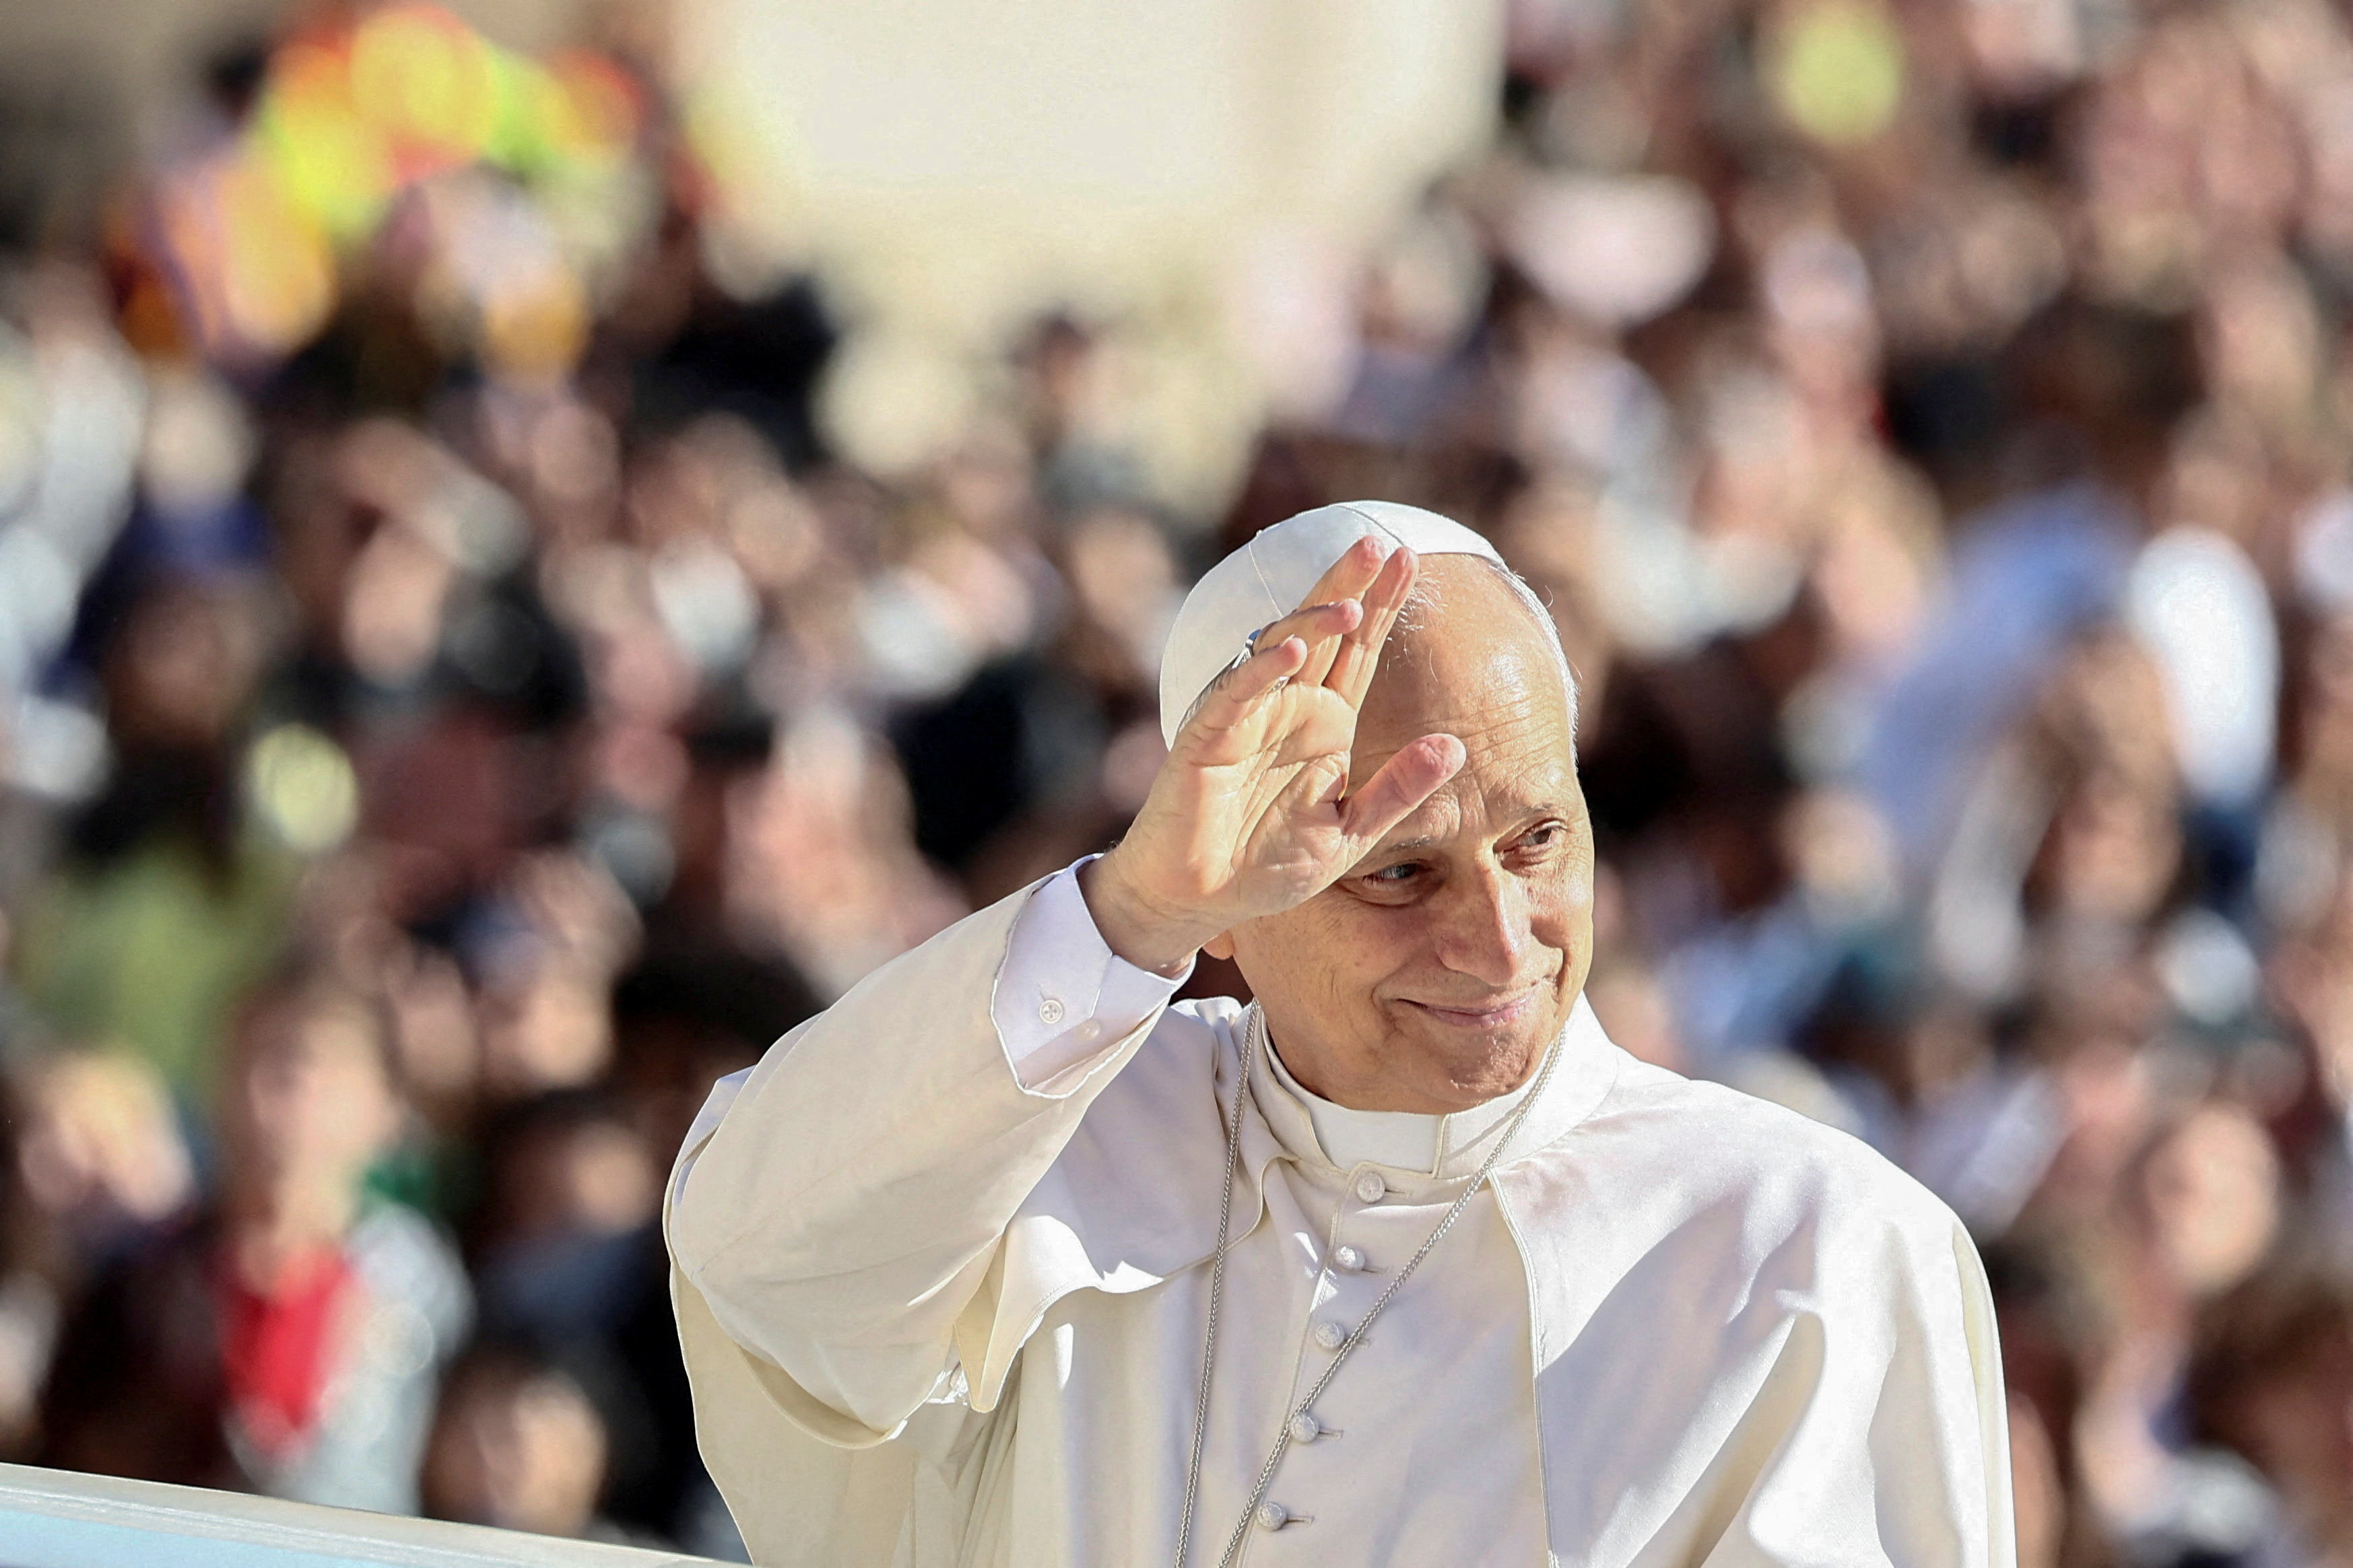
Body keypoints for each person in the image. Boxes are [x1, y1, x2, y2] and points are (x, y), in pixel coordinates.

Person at [667, 502, 2016, 1567]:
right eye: (1399, 873)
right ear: (1237, 903)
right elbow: (753, 1257)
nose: (1501, 942)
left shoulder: (1809, 1243)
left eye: (1536, 839)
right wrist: (1129, 914)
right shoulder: (1049, 1129)